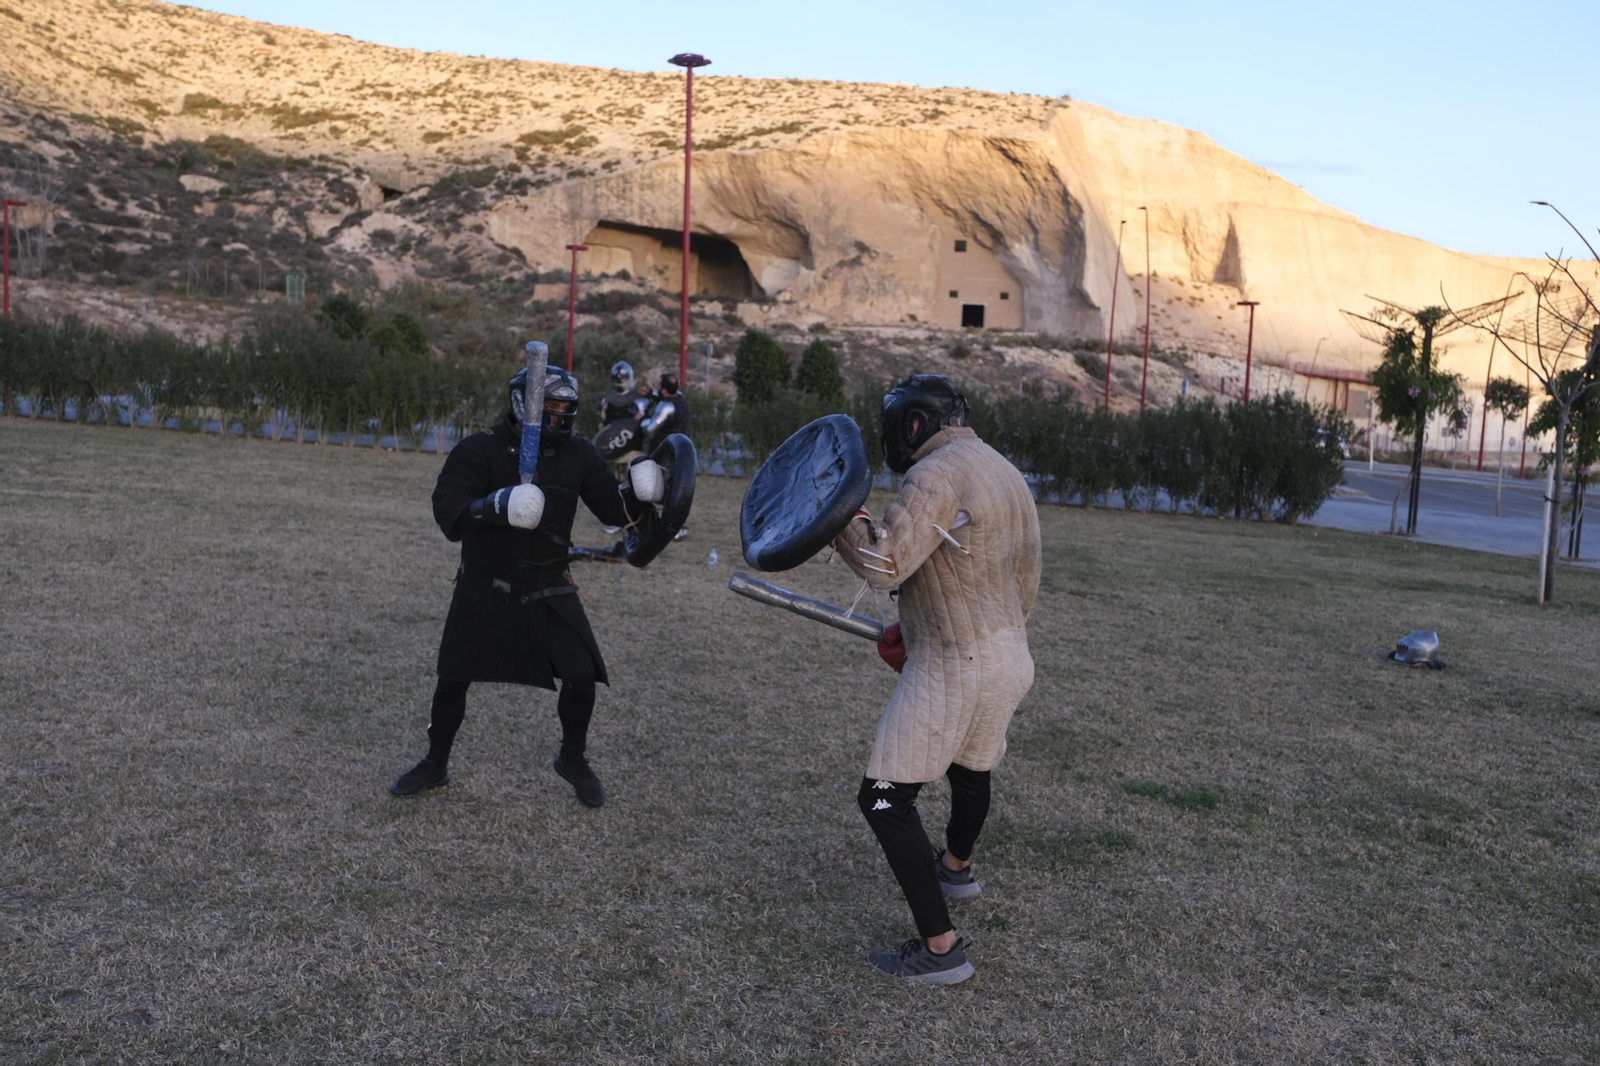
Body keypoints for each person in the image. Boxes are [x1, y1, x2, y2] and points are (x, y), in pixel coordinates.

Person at [831, 374, 1041, 984]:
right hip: (1009, 654)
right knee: (971, 767)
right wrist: (926, 631)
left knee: (883, 799)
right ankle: (955, 866)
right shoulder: (1002, 468)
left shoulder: (936, 473)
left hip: (956, 667)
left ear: (913, 426)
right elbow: (1018, 579)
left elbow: (886, 560)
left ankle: (940, 948)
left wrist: (841, 516)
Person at [388, 364, 672, 807]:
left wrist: (644, 490)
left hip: (549, 583)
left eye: (565, 408)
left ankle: (572, 759)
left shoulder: (578, 453)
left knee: (581, 673)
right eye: (550, 407)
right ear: (525, 404)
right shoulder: (480, 449)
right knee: (453, 678)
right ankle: (435, 762)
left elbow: (613, 510)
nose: (559, 415)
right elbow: (450, 512)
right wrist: (497, 505)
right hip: (486, 581)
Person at [640, 373, 692, 540]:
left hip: (663, 454)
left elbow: (649, 429)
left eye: (659, 387)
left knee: (660, 492)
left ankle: (668, 530)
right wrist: (649, 394)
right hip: (679, 453)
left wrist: (642, 419)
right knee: (673, 492)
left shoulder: (666, 406)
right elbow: (659, 395)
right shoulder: (680, 399)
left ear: (664, 390)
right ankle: (671, 528)